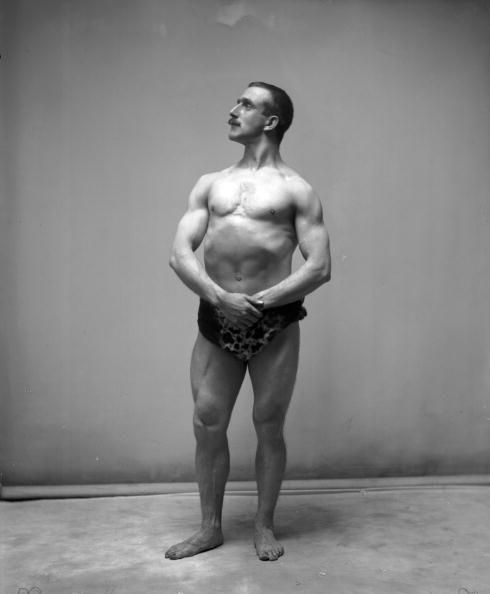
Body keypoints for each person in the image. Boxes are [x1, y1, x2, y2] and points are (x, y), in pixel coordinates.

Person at [166, 82, 331, 561]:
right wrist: (219, 297)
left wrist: (260, 302)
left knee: (268, 423)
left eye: (246, 104)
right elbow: (180, 253)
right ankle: (209, 528)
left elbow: (319, 266)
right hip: (217, 315)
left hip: (272, 322)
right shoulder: (210, 183)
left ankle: (263, 525)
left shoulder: (297, 189)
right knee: (207, 420)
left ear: (271, 120)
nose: (232, 110)